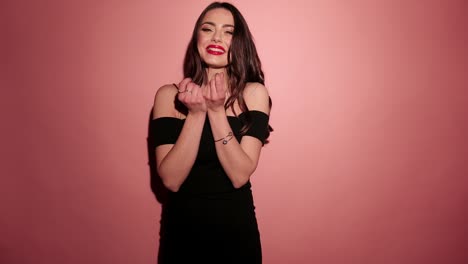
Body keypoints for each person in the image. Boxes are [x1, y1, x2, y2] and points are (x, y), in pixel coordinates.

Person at [150, 2, 272, 263]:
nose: (217, 37)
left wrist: (216, 112)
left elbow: (240, 175)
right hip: (181, 236)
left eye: (228, 32)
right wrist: (195, 114)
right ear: (197, 38)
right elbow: (171, 179)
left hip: (236, 237)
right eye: (208, 29)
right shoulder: (167, 96)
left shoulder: (253, 94)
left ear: (239, 43)